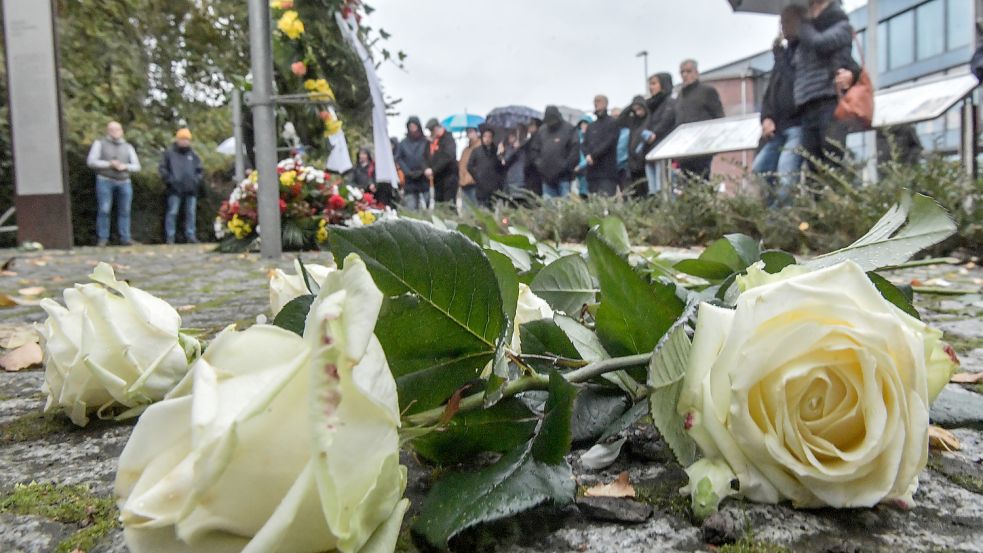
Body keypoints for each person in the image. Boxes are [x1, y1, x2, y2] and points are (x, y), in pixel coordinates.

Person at [794, 0, 861, 170]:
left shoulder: (841, 27)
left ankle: (837, 196)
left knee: (832, 158)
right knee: (813, 164)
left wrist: (803, 25)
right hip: (807, 105)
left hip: (830, 100)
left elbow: (820, 43)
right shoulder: (803, 41)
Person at [752, 5, 806, 207]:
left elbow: (796, 84)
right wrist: (766, 117)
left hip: (797, 124)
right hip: (777, 128)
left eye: (787, 22)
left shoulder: (802, 52)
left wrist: (780, 59)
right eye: (782, 23)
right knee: (761, 168)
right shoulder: (782, 57)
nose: (783, 27)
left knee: (786, 174)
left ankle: (783, 219)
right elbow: (770, 94)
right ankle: (773, 212)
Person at [86, 121, 141, 246]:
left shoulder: (128, 147)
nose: (115, 132)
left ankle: (125, 237)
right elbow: (91, 161)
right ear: (107, 131)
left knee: (125, 210)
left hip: (124, 181)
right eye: (112, 130)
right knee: (104, 209)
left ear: (121, 131)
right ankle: (103, 238)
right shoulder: (99, 144)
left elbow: (137, 166)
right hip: (105, 180)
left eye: (117, 129)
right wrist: (109, 164)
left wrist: (124, 166)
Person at [675, 59, 724, 179]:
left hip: (702, 147)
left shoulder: (707, 91)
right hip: (684, 148)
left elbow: (719, 116)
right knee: (686, 184)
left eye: (688, 71)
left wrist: (714, 142)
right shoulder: (680, 95)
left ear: (696, 73)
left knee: (701, 180)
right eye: (682, 72)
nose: (685, 75)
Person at [158, 128, 203, 244]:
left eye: (187, 139)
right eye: (182, 139)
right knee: (172, 212)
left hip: (191, 189)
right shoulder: (169, 154)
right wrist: (170, 180)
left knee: (191, 214)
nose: (184, 142)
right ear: (177, 139)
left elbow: (200, 170)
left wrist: (195, 181)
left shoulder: (193, 155)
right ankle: (170, 237)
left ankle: (191, 235)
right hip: (174, 189)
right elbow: (162, 169)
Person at [532, 106, 579, 199]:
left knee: (565, 208)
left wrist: (565, 166)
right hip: (546, 178)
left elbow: (575, 150)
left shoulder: (569, 129)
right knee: (549, 210)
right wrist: (539, 165)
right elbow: (534, 150)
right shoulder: (541, 130)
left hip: (564, 178)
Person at [643, 73, 677, 196]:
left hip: (663, 151)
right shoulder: (651, 106)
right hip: (650, 152)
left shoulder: (671, 103)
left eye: (654, 84)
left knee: (663, 189)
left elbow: (666, 122)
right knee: (653, 192)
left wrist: (655, 134)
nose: (651, 88)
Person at [582, 95, 621, 196]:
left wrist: (593, 155)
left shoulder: (612, 123)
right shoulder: (591, 126)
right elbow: (584, 144)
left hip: (607, 172)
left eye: (599, 101)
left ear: (606, 103)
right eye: (595, 101)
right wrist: (587, 155)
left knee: (606, 203)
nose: (596, 104)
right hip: (592, 173)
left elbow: (608, 143)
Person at [395, 116, 429, 210]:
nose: (413, 129)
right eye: (411, 126)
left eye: (414, 126)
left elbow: (429, 157)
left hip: (424, 178)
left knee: (426, 206)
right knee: (411, 207)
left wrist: (423, 169)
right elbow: (398, 158)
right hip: (410, 180)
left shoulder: (425, 142)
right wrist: (407, 172)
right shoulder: (403, 143)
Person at [467, 126, 505, 206]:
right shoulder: (476, 151)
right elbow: (469, 166)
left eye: (489, 137)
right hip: (481, 188)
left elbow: (501, 168)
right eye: (485, 136)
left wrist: (500, 156)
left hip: (494, 187)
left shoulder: (496, 151)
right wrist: (477, 176)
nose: (487, 139)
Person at [424, 118, 458, 204]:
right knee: (439, 204)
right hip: (438, 179)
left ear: (436, 129)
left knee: (449, 205)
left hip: (449, 178)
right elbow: (426, 156)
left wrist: (433, 169)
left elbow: (447, 157)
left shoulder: (448, 139)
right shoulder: (433, 141)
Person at [458, 127, 480, 205]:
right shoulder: (465, 150)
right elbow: (461, 165)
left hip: (475, 183)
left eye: (471, 131)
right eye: (467, 132)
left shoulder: (480, 147)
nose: (469, 134)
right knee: (466, 209)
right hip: (464, 183)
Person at [524, 118, 544, 196]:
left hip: (534, 173)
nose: (529, 127)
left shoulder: (537, 139)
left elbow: (532, 156)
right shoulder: (531, 139)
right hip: (532, 173)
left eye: (531, 125)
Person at [503, 128, 526, 194]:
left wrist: (518, 148)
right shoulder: (509, 148)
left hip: (520, 180)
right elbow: (506, 160)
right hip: (509, 180)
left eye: (512, 136)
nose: (509, 138)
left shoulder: (524, 147)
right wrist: (514, 149)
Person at [574, 116, 592, 199]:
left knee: (585, 193)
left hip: (587, 168)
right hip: (576, 169)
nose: (584, 126)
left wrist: (581, 165)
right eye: (582, 124)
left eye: (586, 123)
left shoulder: (592, 138)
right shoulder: (576, 137)